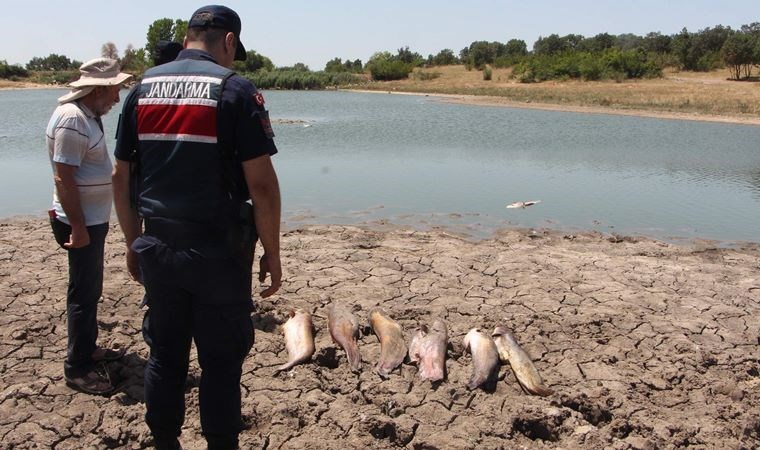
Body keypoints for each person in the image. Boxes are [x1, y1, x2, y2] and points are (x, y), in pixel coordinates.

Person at [112, 5, 282, 449]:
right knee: (221, 364)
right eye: (234, 51)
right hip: (218, 255)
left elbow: (122, 177)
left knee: (166, 358)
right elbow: (261, 186)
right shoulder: (236, 91)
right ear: (228, 41)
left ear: (188, 37)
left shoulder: (141, 89)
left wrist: (133, 242)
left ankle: (165, 442)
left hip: (159, 247)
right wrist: (273, 251)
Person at [45, 58, 132, 395]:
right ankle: (77, 367)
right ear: (97, 90)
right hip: (78, 223)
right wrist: (78, 227)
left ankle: (88, 348)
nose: (117, 97)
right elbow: (63, 176)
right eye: (114, 90)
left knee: (89, 288)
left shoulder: (88, 116)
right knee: (83, 293)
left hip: (90, 221)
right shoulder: (72, 120)